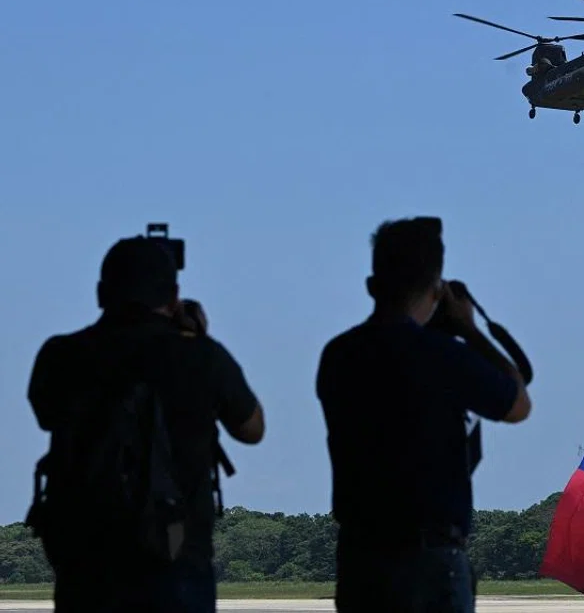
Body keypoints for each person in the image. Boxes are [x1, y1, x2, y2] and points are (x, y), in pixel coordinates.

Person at [26, 235, 266, 613]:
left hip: (87, 560)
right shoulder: (200, 355)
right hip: (177, 552)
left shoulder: (61, 355)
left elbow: (45, 414)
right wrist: (197, 338)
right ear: (172, 298)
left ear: (102, 294)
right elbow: (252, 429)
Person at [315, 216, 532, 613]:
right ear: (435, 289)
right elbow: (518, 404)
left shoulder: (338, 355)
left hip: (361, 558)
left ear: (371, 285)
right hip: (430, 557)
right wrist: (468, 329)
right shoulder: (444, 357)